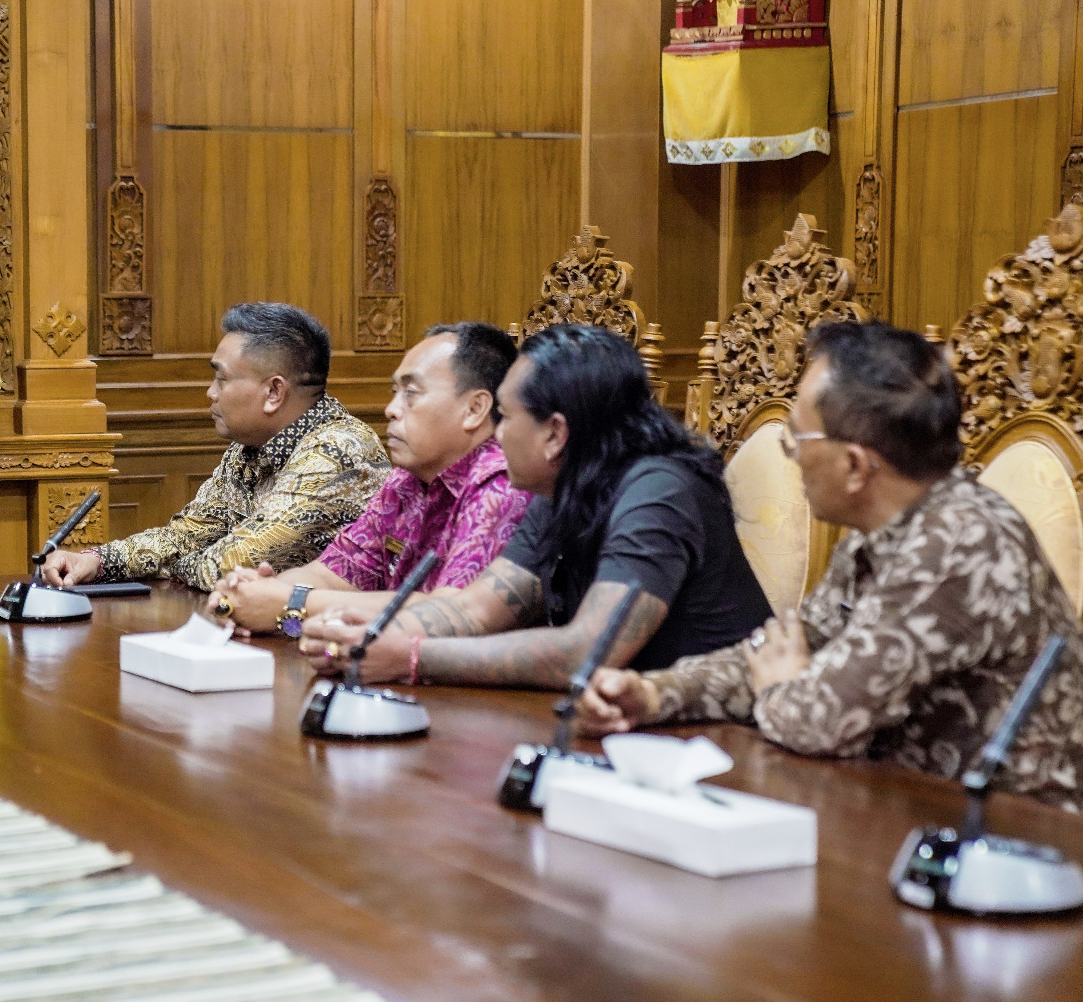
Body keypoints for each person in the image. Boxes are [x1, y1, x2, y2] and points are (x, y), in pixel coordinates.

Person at [577, 321, 1083, 811]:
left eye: (797, 440)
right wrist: (654, 694)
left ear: (856, 466)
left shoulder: (959, 544)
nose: (792, 456)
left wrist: (783, 687)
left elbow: (817, 721)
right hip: (901, 805)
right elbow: (777, 654)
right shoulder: (878, 532)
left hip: (1014, 833)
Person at [300, 324, 770, 686]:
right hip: (623, 722)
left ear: (555, 433)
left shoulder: (659, 493)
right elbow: (476, 611)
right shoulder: (566, 483)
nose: (497, 434)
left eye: (505, 417)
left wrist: (411, 656)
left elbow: (587, 651)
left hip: (720, 741)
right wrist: (361, 627)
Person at [206, 322, 530, 635]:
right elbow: (333, 573)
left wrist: (292, 602)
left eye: (411, 393)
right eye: (395, 392)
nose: (391, 409)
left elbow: (448, 613)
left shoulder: (503, 484)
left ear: (475, 409)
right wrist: (252, 594)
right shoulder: (405, 481)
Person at [42, 302, 388, 593]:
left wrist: (170, 564)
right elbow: (189, 534)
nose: (210, 392)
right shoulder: (250, 446)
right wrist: (99, 560)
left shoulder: (339, 451)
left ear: (274, 392)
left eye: (222, 379)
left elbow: (226, 567)